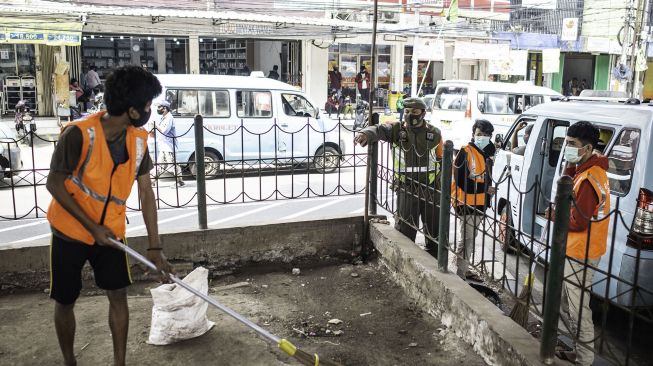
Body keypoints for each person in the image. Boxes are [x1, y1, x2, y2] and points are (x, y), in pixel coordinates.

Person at [46, 65, 173, 366]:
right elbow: (54, 182)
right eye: (146, 106)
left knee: (118, 297)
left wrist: (155, 248)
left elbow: (146, 193)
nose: (149, 111)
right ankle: (69, 361)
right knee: (65, 301)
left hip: (112, 238)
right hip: (70, 234)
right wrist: (91, 227)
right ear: (131, 110)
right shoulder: (78, 135)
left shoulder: (138, 141)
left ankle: (119, 363)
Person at [546, 121, 610, 366]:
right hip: (579, 248)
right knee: (567, 301)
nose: (567, 148)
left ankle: (584, 359)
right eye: (566, 142)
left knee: (578, 307)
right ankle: (578, 351)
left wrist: (555, 215)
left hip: (581, 251)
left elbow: (579, 221)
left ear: (588, 148)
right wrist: (570, 167)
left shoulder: (590, 178)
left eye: (572, 144)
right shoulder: (588, 170)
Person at [354, 98, 443, 257]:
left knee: (434, 230)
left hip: (430, 187)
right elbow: (379, 129)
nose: (410, 115)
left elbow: (442, 158)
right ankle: (406, 261)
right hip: (406, 187)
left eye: (414, 112)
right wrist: (366, 133)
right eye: (407, 112)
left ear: (423, 113)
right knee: (405, 231)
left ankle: (435, 260)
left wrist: (441, 181)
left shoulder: (434, 133)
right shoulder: (396, 130)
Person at [451, 119, 496, 280]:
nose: (482, 137)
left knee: (471, 238)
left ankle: (463, 266)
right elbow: (463, 182)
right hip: (466, 202)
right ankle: (460, 273)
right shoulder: (466, 152)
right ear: (473, 134)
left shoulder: (487, 154)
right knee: (467, 239)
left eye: (485, 135)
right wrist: (486, 189)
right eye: (479, 134)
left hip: (480, 203)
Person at [152, 100, 184, 187]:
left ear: (165, 108)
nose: (158, 109)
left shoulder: (169, 118)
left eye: (160, 107)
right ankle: (152, 181)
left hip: (169, 146)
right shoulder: (164, 117)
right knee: (160, 164)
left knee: (173, 164)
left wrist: (155, 125)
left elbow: (164, 131)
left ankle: (180, 182)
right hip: (164, 145)